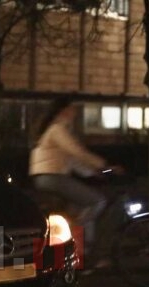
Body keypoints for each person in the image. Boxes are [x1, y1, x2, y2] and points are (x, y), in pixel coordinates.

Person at [29, 97, 118, 258]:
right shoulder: (57, 129)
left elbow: (73, 161)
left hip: (47, 177)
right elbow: (78, 152)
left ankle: (83, 252)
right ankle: (74, 231)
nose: (74, 113)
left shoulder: (53, 130)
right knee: (98, 201)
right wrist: (104, 165)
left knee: (80, 207)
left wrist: (95, 172)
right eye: (72, 109)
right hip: (52, 177)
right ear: (64, 111)